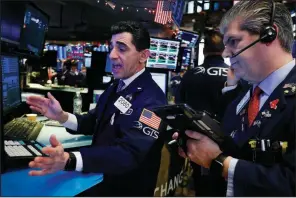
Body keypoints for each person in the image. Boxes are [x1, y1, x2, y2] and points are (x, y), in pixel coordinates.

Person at [26, 21, 167, 196]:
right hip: (99, 180)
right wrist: (62, 116)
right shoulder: (117, 86)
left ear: (143, 55)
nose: (112, 55)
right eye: (112, 47)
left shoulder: (154, 102)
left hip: (123, 190)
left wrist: (70, 160)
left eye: (121, 49)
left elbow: (129, 154)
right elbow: (94, 121)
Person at [173, 0, 295, 196]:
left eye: (234, 41)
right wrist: (200, 145)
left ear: (269, 34)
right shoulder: (244, 96)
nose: (226, 53)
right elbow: (238, 147)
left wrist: (220, 163)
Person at [176, 30, 229, 121]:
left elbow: (179, 106)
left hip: (195, 130)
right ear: (224, 50)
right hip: (226, 132)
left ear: (204, 50)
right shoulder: (235, 75)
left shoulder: (190, 74)